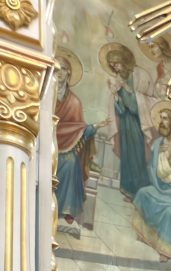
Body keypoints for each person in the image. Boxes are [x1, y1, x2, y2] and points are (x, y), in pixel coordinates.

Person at [54, 50, 103, 238]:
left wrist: (93, 128)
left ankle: (65, 210)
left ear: (68, 73)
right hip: (44, 143)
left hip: (65, 147)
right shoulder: (44, 92)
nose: (59, 72)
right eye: (56, 68)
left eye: (63, 68)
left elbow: (78, 129)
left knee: (71, 162)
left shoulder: (74, 102)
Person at [132, 103, 171, 260]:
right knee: (142, 193)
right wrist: (165, 159)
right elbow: (153, 169)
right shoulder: (158, 144)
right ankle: (145, 235)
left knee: (170, 211)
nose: (161, 122)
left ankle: (165, 249)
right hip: (160, 186)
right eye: (161, 119)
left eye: (165, 119)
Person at [100, 43, 154, 200]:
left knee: (139, 157)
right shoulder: (118, 80)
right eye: (112, 66)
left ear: (124, 61)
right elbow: (121, 110)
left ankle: (141, 190)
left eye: (116, 64)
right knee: (128, 157)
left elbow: (144, 102)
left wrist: (125, 89)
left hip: (140, 124)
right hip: (125, 124)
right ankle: (129, 190)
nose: (115, 68)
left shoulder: (140, 75)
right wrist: (116, 96)